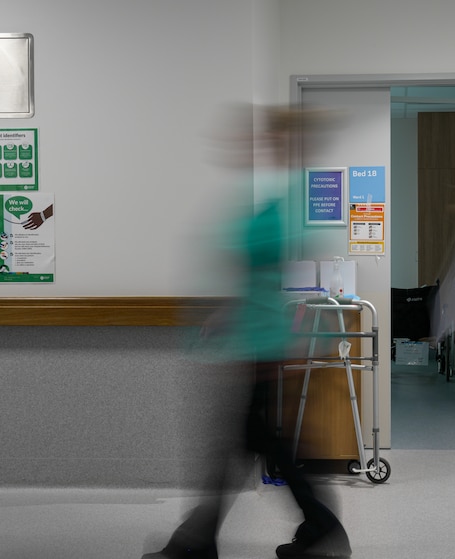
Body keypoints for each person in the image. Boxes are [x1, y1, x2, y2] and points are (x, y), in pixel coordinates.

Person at [141, 105, 350, 559]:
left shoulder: (292, 197)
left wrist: (238, 313)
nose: (259, 145)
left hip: (262, 344)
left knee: (241, 445)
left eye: (273, 137)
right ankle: (318, 529)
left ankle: (199, 542)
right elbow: (257, 273)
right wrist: (228, 312)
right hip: (256, 338)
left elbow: (261, 266)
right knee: (255, 444)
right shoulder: (277, 197)